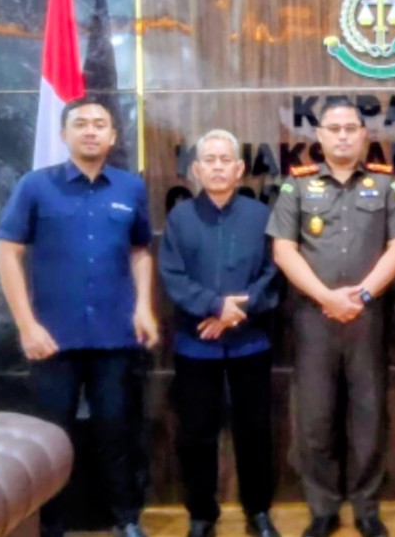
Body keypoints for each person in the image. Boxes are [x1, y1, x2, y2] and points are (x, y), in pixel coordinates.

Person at [0, 96, 159, 537]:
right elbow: (7, 252)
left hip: (115, 335)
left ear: (113, 136)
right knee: (51, 440)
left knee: (117, 432)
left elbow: (140, 250)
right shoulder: (35, 186)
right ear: (64, 134)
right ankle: (50, 526)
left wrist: (144, 306)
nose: (90, 131)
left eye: (99, 124)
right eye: (81, 123)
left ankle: (127, 519)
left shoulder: (130, 188)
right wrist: (27, 325)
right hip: (52, 338)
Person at [266, 98, 395, 537]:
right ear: (319, 136)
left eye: (351, 128)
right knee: (315, 418)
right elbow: (283, 250)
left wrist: (362, 294)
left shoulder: (385, 185)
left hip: (368, 319)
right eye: (334, 129)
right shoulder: (297, 186)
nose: (343, 136)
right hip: (314, 320)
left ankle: (367, 508)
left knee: (369, 416)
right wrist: (326, 297)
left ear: (364, 135)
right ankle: (324, 508)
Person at [158, 129, 281, 537]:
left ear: (239, 168)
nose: (216, 167)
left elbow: (272, 273)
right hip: (197, 344)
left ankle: (258, 512)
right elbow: (173, 276)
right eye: (208, 160)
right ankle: (202, 515)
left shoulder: (261, 216)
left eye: (224, 159)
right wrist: (214, 306)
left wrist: (232, 314)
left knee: (255, 432)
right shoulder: (179, 217)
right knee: (196, 434)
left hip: (250, 342)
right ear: (195, 169)